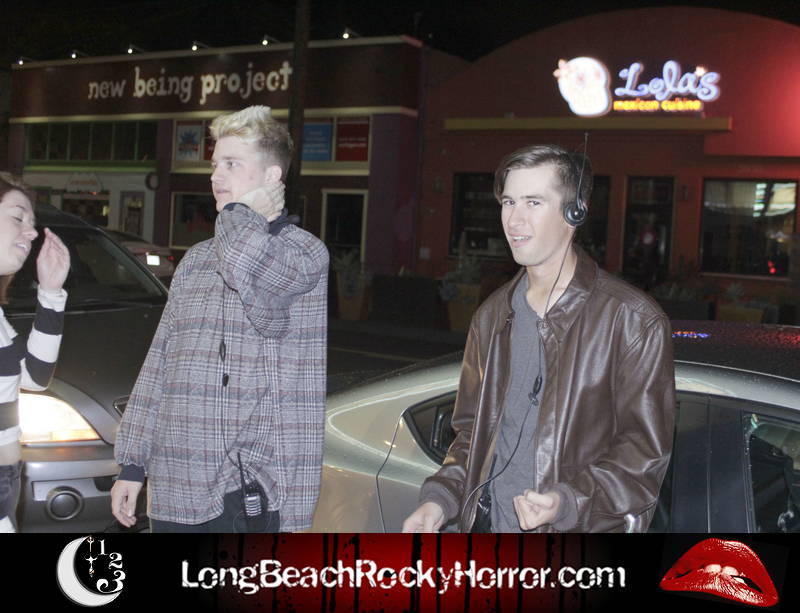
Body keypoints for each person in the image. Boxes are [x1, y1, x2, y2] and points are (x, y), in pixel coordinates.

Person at [402, 144, 675, 533]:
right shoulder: (491, 317)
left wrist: (567, 501)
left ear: (574, 212)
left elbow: (643, 457)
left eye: (533, 202)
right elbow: (470, 435)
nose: (514, 220)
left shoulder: (633, 321)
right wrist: (439, 501)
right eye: (508, 202)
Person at [111, 106, 329, 532]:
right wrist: (133, 465)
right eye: (214, 165)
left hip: (246, 485)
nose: (216, 176)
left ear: (272, 177)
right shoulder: (195, 261)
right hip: (175, 484)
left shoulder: (303, 253)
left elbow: (248, 270)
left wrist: (240, 213)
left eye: (232, 164)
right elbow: (160, 362)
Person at [0, 173, 70, 532]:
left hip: (8, 479)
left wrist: (51, 292)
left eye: (32, 223)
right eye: (17, 217)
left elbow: (34, 377)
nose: (30, 233)